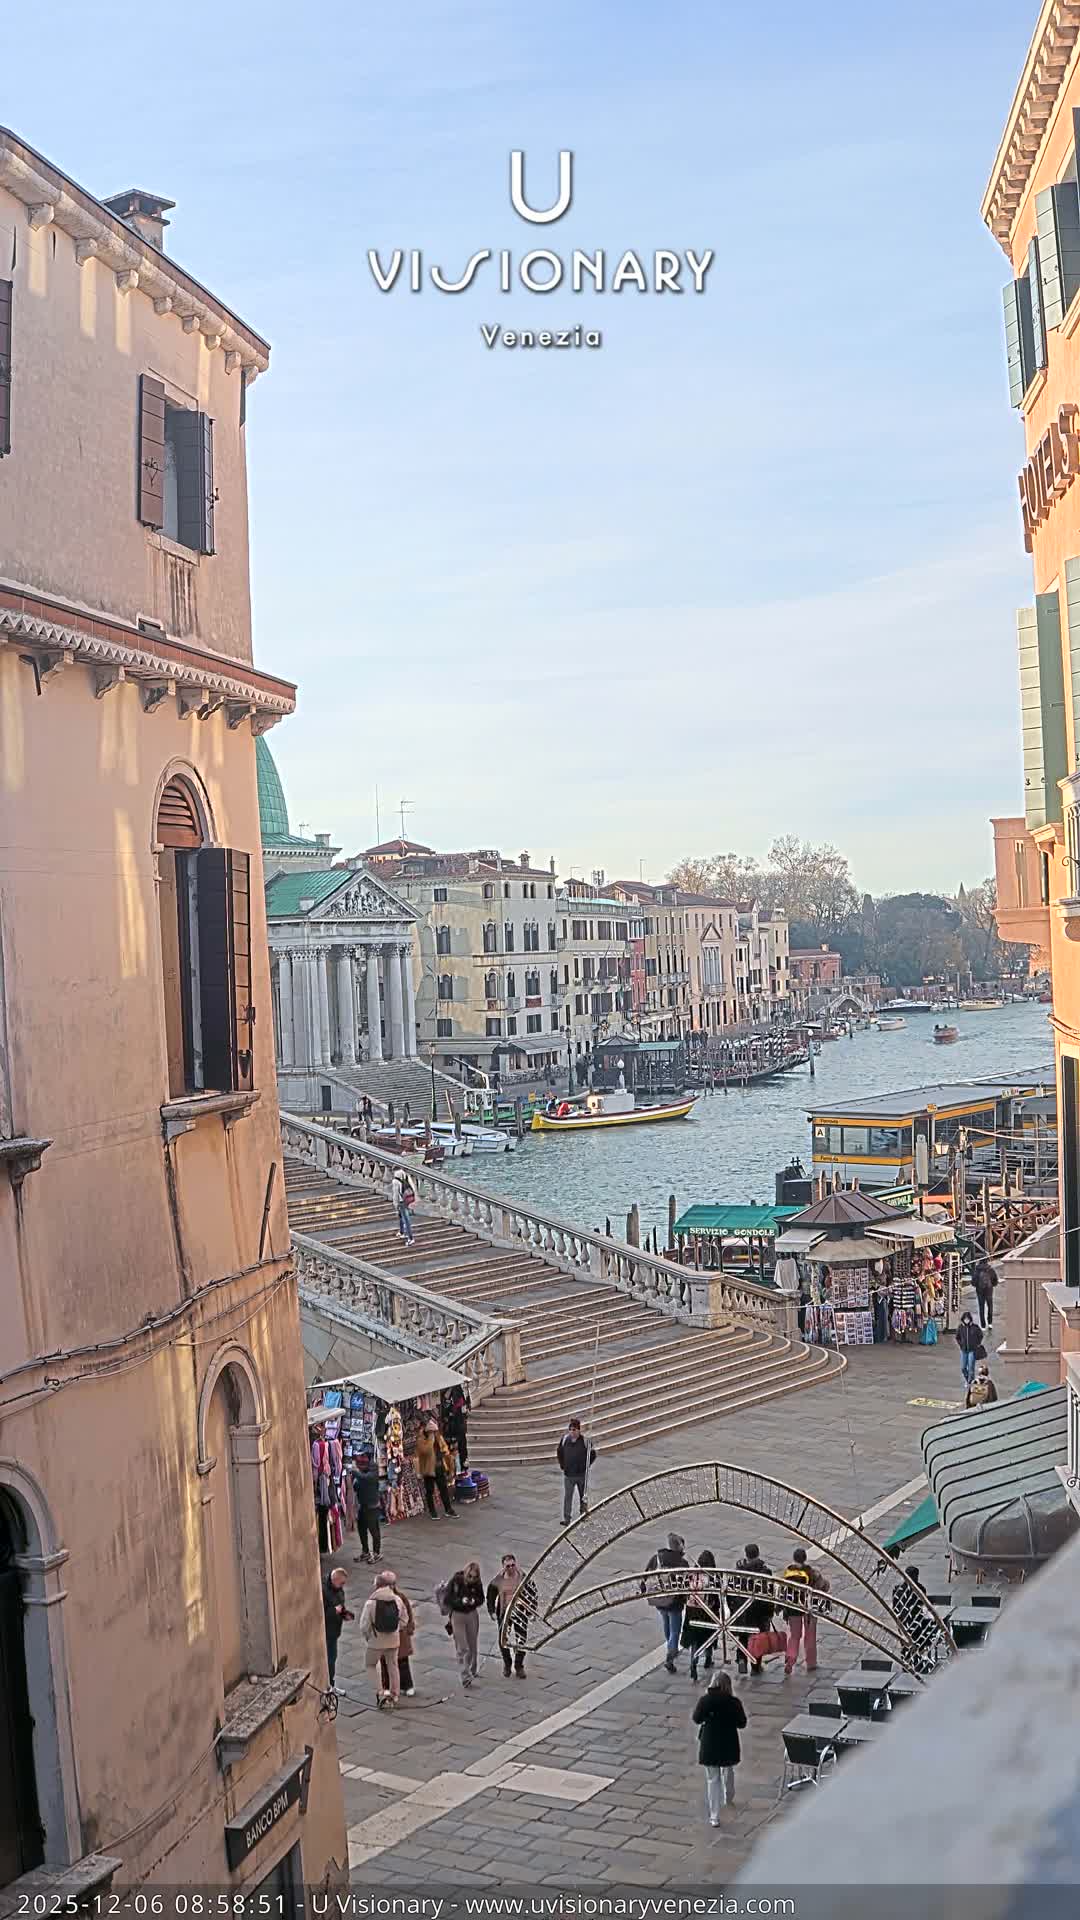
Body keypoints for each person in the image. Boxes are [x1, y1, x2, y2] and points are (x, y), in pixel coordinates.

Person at [692, 1670, 747, 1824]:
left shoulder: (705, 1701)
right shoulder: (734, 1702)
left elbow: (696, 1719)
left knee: (712, 1779)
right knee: (728, 1770)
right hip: (728, 1743)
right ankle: (729, 1795)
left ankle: (714, 1816)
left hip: (710, 1744)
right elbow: (742, 1723)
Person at [358, 1568, 407, 1710]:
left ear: (377, 1586)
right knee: (393, 1665)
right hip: (393, 1640)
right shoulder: (397, 1600)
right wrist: (395, 1630)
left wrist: (369, 1637)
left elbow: (364, 1625)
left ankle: (380, 1693)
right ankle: (394, 1694)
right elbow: (404, 1620)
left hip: (376, 1641)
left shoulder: (370, 1603)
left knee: (370, 1665)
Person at [643, 1533, 690, 1674]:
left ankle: (670, 1646)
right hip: (675, 1602)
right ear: (680, 1547)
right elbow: (686, 1583)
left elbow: (645, 1576)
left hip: (659, 1599)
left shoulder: (657, 1558)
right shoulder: (682, 1563)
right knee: (675, 1630)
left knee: (666, 1623)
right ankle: (670, 1656)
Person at [487, 1551, 535, 1678]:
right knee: (503, 1640)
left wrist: (531, 1611)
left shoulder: (523, 1578)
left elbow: (532, 1594)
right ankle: (507, 1664)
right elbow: (490, 1596)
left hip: (520, 1613)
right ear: (503, 1567)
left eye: (513, 1565)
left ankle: (519, 1666)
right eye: (508, 1566)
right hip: (504, 1613)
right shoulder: (498, 1580)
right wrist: (492, 1611)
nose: (511, 1568)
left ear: (516, 1564)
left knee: (521, 1640)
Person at [780, 1547, 828, 1675]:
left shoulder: (788, 1573)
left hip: (793, 1609)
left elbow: (782, 1591)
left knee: (794, 1636)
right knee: (810, 1635)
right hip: (809, 1609)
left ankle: (790, 1660)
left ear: (794, 1558)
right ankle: (811, 1663)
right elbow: (824, 1586)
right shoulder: (812, 1573)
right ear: (805, 1558)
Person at [442, 1561, 485, 1689]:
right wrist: (460, 1601)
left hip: (471, 1614)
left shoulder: (477, 1583)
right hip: (457, 1615)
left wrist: (473, 1601)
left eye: (475, 1577)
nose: (472, 1579)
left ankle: (471, 1669)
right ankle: (465, 1675)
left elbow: (481, 1598)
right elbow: (447, 1599)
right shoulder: (456, 1581)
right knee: (462, 1647)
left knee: (472, 1646)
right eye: (470, 1576)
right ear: (466, 1573)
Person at [733, 1544, 774, 1675]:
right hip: (759, 1611)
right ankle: (755, 1666)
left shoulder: (739, 1570)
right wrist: (770, 1611)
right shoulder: (765, 1571)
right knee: (757, 1639)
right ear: (758, 1553)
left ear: (746, 1554)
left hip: (742, 1609)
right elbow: (770, 1593)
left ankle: (741, 1659)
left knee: (743, 1636)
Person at [682, 1549, 721, 1684]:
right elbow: (717, 1596)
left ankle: (693, 1662)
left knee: (695, 1640)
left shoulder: (692, 1574)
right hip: (707, 1611)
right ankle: (708, 1659)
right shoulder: (713, 1577)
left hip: (692, 1611)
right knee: (708, 1636)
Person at [891, 1564, 936, 1676]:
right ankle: (917, 1666)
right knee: (917, 1644)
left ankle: (907, 1667)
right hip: (915, 1623)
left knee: (907, 1645)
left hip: (905, 1623)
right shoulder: (920, 1589)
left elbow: (895, 1608)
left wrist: (899, 1623)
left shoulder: (898, 1589)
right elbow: (924, 1607)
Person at [380, 1576, 417, 1698]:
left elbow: (408, 1613)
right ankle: (386, 1687)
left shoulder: (400, 1597)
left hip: (400, 1634)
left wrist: (409, 1627)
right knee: (385, 1662)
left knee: (402, 1661)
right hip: (384, 1636)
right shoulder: (377, 1598)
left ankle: (407, 1686)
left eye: (392, 1584)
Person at [557, 1417, 595, 1525]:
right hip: (569, 1475)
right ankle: (567, 1518)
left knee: (583, 1495)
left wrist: (586, 1466)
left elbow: (592, 1454)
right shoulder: (565, 1440)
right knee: (568, 1497)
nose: (572, 1432)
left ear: (578, 1430)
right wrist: (563, 1465)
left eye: (574, 1430)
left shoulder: (584, 1441)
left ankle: (583, 1515)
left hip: (581, 1475)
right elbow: (559, 1452)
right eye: (570, 1430)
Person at [416, 1418, 457, 1519]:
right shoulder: (421, 1439)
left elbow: (444, 1449)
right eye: (432, 1432)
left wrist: (447, 1458)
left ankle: (448, 1509)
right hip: (428, 1468)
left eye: (434, 1431)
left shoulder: (438, 1437)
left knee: (443, 1489)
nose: (433, 1433)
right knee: (429, 1490)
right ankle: (432, 1511)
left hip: (439, 1466)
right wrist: (431, 1440)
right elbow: (425, 1451)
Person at [322, 1566, 353, 1690]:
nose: (343, 1586)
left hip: (334, 1631)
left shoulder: (338, 1589)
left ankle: (331, 1684)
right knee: (329, 1659)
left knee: (332, 1658)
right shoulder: (323, 1590)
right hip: (326, 1631)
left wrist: (344, 1614)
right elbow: (320, 1612)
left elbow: (339, 1605)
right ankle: (329, 1685)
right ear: (334, 1579)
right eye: (341, 1583)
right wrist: (334, 1611)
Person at [352, 1452, 382, 1564]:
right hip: (363, 1505)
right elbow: (357, 1486)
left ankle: (377, 1553)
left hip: (372, 1506)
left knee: (374, 1530)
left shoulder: (373, 1468)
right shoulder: (361, 1470)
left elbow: (367, 1479)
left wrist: (355, 1472)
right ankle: (365, 1552)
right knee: (362, 1530)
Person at [444, 1384, 471, 1472]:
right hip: (457, 1425)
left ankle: (461, 1466)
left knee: (459, 1447)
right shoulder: (457, 1391)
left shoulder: (456, 1391)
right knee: (460, 1447)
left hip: (456, 1425)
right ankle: (461, 1466)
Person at [955, 1310, 983, 1386]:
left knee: (971, 1367)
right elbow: (957, 1337)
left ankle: (970, 1382)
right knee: (963, 1367)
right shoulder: (960, 1327)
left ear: (970, 1319)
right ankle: (968, 1379)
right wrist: (961, 1345)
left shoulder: (975, 1327)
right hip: (964, 1350)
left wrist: (977, 1344)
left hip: (972, 1350)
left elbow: (980, 1335)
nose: (966, 1320)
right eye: (965, 1319)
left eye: (967, 1319)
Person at [391, 1164, 415, 1245]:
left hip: (402, 1201)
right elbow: (412, 1186)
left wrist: (395, 1205)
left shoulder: (395, 1181)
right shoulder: (406, 1176)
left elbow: (395, 1194)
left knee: (406, 1220)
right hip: (408, 1198)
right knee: (401, 1216)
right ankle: (401, 1232)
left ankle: (410, 1238)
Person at [972, 1258, 998, 1330]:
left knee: (981, 1307)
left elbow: (973, 1282)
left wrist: (977, 1286)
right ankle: (990, 1323)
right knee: (990, 1306)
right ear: (987, 1261)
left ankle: (983, 1325)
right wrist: (992, 1285)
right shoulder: (990, 1269)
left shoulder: (977, 1270)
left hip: (980, 1290)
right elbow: (995, 1280)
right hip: (989, 1290)